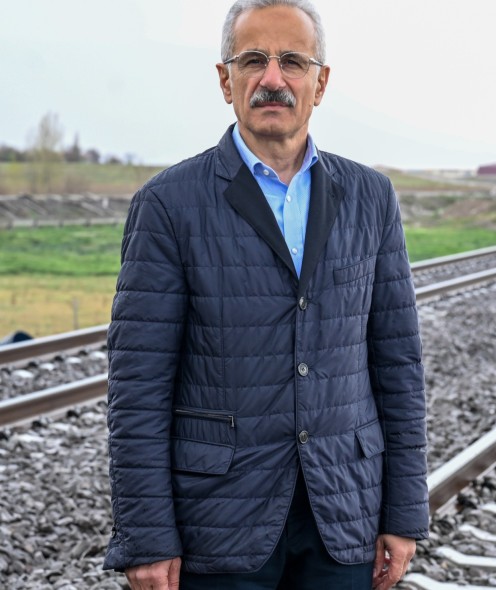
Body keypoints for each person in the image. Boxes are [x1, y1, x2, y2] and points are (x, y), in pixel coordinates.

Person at [103, 1, 429, 588]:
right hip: (216, 523)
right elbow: (138, 387)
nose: (272, 78)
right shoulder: (168, 204)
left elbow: (397, 367)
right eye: (253, 59)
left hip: (344, 512)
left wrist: (403, 514)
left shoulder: (372, 198)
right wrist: (146, 537)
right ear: (225, 79)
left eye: (292, 62)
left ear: (320, 83)